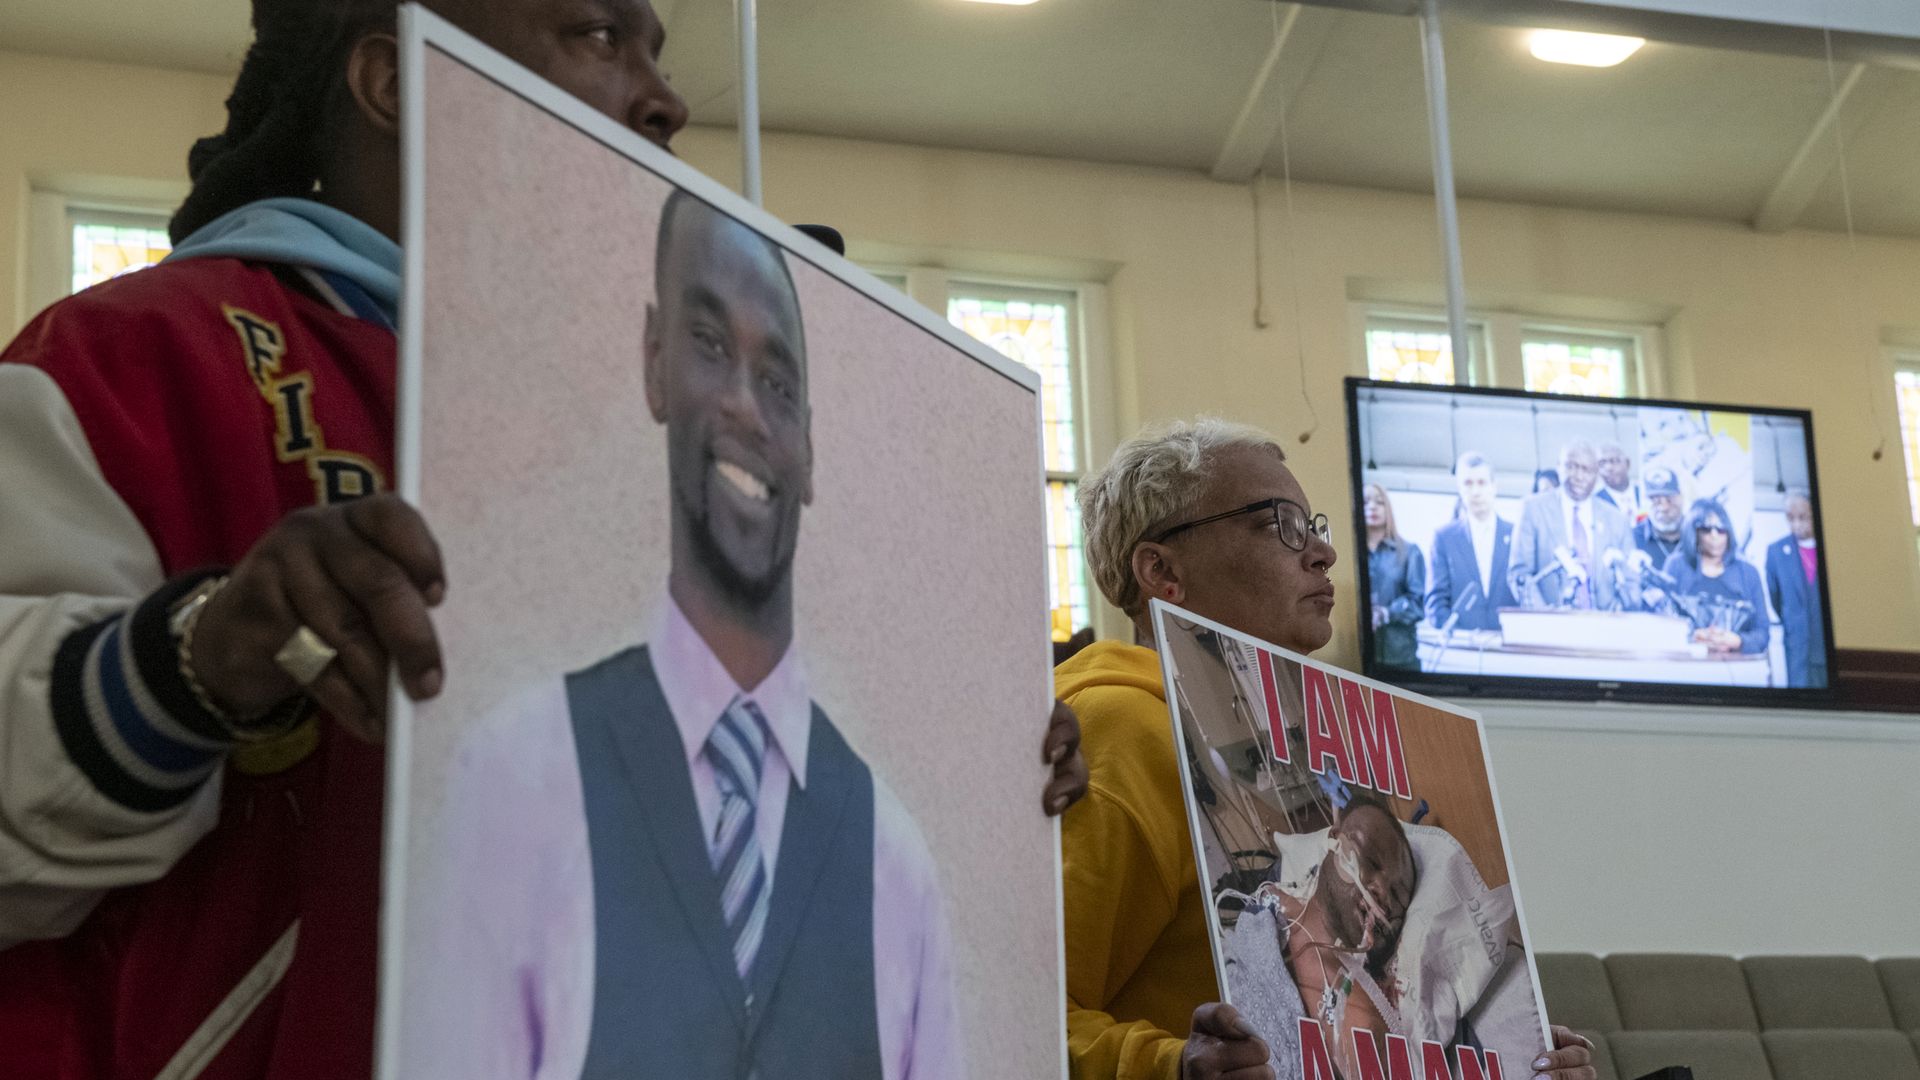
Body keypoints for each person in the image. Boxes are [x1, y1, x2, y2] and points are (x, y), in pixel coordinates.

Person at [0, 3, 1085, 1075]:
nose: (664, 100)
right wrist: (194, 660)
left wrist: (980, 773)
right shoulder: (136, 360)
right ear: (395, 81)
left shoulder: (647, 436)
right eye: (599, 35)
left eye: (657, 51)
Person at [406, 192, 960, 1079]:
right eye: (709, 346)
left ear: (810, 449)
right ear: (654, 362)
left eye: (779, 383)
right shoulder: (515, 778)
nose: (745, 405)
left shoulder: (894, 857)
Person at [1057, 418, 1596, 1080]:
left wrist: (1510, 1058)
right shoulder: (1122, 730)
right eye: (1278, 524)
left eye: (1314, 527)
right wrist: (1174, 1067)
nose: (1322, 553)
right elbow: (1017, 1004)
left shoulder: (1326, 757)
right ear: (1162, 570)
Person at [1508, 440, 1636, 611]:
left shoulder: (1617, 519)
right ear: (1558, 466)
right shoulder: (1533, 509)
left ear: (1597, 474)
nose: (1578, 476)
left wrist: (1619, 615)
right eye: (1571, 466)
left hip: (1607, 627)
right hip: (1550, 627)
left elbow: (1631, 578)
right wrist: (1544, 617)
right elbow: (1520, 574)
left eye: (1586, 470)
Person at [1662, 499, 1769, 656]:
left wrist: (1738, 641)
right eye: (1706, 529)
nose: (1714, 536)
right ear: (1694, 532)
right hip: (1686, 666)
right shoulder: (1676, 566)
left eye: (1720, 529)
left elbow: (1762, 632)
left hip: (1738, 672)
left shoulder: (1748, 573)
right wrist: (1691, 636)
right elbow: (1661, 623)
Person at [1425, 451, 1516, 634]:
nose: (1475, 492)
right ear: (1459, 489)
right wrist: (1457, 636)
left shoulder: (1516, 534)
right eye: (1468, 483)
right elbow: (1435, 602)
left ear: (1494, 487)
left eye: (1482, 483)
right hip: (1461, 647)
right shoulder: (1443, 538)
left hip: (1507, 647)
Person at [1763, 490, 1827, 687]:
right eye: (1790, 518)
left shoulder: (1830, 546)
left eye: (1803, 517)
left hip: (1827, 647)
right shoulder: (1776, 552)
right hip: (1797, 646)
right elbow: (1776, 598)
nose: (1796, 524)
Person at [1362, 484, 1425, 670]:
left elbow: (1418, 603)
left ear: (1387, 509)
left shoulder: (1409, 552)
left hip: (1401, 659)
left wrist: (1385, 613)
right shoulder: (1349, 554)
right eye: (1365, 502)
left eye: (1379, 502)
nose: (1372, 507)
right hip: (1359, 657)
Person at [1631, 466, 1687, 570]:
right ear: (1645, 503)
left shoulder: (1701, 535)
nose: (1663, 507)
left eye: (1669, 499)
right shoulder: (1632, 539)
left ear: (1681, 498)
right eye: (1655, 501)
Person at [1594, 441, 1637, 514]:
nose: (1608, 468)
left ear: (1627, 463)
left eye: (1614, 461)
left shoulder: (1644, 492)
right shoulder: (1596, 502)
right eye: (1602, 464)